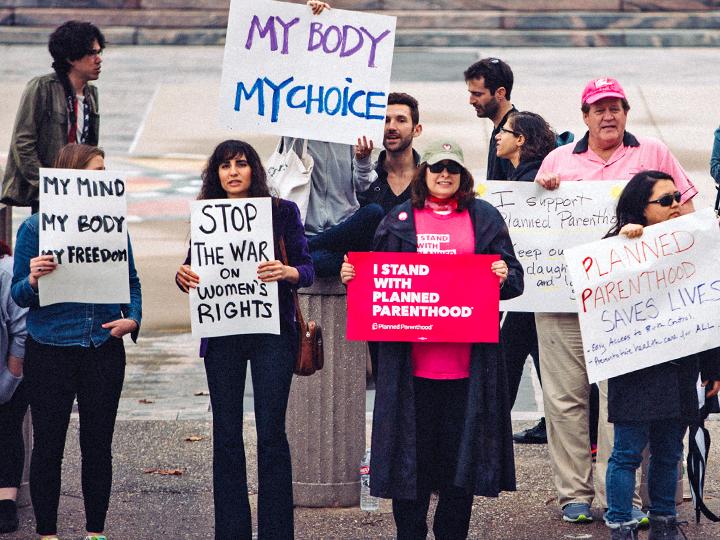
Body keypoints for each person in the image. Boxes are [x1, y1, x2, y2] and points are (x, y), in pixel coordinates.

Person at [534, 77, 698, 524]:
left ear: (627, 112)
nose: (608, 116)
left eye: (616, 108)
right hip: (561, 299)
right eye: (598, 109)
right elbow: (531, 225)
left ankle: (619, 497)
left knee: (620, 402)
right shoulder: (557, 159)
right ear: (584, 116)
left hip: (626, 305)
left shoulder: (654, 153)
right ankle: (573, 494)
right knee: (564, 399)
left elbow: (685, 212)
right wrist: (540, 190)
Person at [341, 140, 523, 539]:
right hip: (411, 373)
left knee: (460, 464)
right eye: (437, 168)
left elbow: (515, 279)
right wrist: (354, 280)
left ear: (463, 177)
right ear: (424, 174)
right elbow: (377, 293)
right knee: (412, 462)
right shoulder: (399, 220)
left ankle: (451, 533)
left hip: (467, 371)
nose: (444, 175)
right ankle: (410, 533)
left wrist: (502, 274)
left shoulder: (485, 218)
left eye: (452, 169)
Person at [175, 139, 313, 540]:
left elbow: (306, 267)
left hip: (272, 335)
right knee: (226, 434)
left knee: (271, 433)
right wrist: (182, 276)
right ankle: (231, 531)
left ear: (254, 169)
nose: (232, 172)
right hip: (222, 335)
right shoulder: (207, 216)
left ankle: (276, 533)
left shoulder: (281, 212)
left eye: (240, 164)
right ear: (214, 174)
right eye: (224, 166)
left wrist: (286, 272)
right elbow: (191, 269)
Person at [11, 143, 141, 540]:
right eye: (95, 172)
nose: (103, 179)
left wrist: (132, 319)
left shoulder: (115, 227)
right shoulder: (34, 229)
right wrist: (33, 278)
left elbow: (131, 282)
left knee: (98, 445)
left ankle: (95, 532)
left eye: (105, 171)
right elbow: (18, 295)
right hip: (50, 347)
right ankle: (48, 533)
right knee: (49, 446)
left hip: (102, 346)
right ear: (71, 179)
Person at [601, 170, 720, 540]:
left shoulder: (694, 243)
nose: (674, 206)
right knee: (627, 452)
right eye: (665, 200)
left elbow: (709, 307)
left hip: (680, 367)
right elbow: (598, 293)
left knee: (670, 449)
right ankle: (621, 521)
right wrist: (623, 244)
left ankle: (665, 519)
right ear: (641, 206)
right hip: (635, 367)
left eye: (676, 198)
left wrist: (713, 368)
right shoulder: (613, 245)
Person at [494, 110, 557, 444]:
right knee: (527, 354)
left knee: (509, 355)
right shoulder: (524, 176)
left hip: (531, 290)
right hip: (534, 290)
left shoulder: (528, 182)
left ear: (520, 140)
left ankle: (491, 430)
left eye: (504, 132)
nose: (497, 137)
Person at [2, 21, 104, 212]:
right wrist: (49, 184)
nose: (98, 59)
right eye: (92, 53)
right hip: (48, 195)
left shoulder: (92, 94)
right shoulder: (41, 88)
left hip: (80, 193)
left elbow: (89, 145)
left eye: (99, 52)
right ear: (71, 58)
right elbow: (23, 143)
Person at [355, 92, 423, 214]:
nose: (391, 127)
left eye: (401, 120)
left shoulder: (430, 179)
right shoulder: (364, 178)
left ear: (416, 130)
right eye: (385, 120)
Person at [0, 240, 28, 535]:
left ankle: (6, 502)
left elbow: (21, 330)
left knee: (7, 424)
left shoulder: (5, 271)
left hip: (8, 367)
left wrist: (10, 377)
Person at [464, 57, 516, 181]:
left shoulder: (514, 134)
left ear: (500, 93)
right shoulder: (501, 128)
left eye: (477, 94)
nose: (471, 101)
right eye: (470, 93)